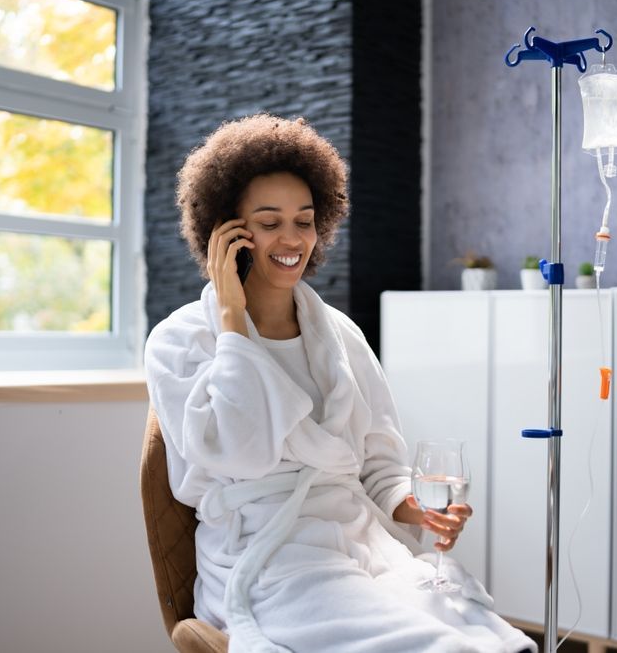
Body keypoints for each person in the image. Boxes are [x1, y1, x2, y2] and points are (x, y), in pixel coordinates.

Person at [144, 114, 535, 653]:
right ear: (226, 232)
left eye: (304, 221)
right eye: (268, 221)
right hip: (270, 558)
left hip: (360, 541)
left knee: (486, 633)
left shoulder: (340, 335)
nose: (291, 239)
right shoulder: (181, 340)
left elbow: (378, 462)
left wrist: (414, 506)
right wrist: (233, 320)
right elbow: (239, 454)